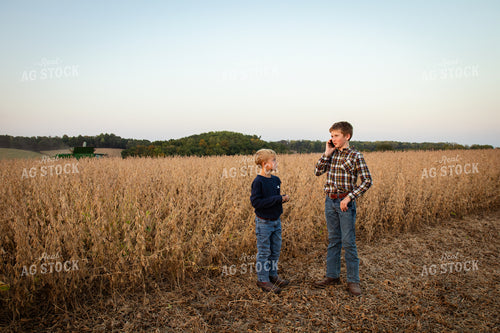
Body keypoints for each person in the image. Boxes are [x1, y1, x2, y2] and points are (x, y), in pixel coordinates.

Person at [313, 121, 372, 296]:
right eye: (331, 136)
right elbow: (317, 172)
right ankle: (332, 276)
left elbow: (367, 180)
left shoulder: (355, 156)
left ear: (347, 136)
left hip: (345, 203)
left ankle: (353, 281)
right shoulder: (331, 154)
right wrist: (326, 152)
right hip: (329, 202)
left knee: (348, 242)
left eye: (336, 135)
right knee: (333, 240)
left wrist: (349, 197)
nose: (333, 139)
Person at [250, 149, 290, 294]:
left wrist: (282, 199)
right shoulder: (258, 182)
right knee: (264, 252)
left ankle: (273, 275)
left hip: (276, 221)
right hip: (264, 223)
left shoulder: (275, 180)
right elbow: (256, 203)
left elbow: (273, 201)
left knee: (275, 250)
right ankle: (262, 279)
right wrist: (279, 199)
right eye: (273, 160)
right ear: (264, 164)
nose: (276, 162)